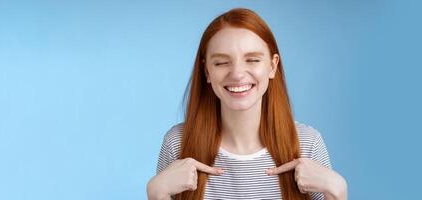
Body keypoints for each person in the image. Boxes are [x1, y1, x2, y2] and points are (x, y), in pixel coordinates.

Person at [146, 8, 347, 200]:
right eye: (221, 62)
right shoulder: (177, 143)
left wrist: (338, 192)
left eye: (252, 60)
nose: (237, 74)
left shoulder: (308, 143)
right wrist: (157, 195)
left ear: (272, 65)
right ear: (207, 71)